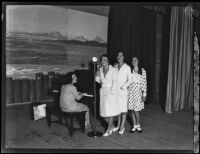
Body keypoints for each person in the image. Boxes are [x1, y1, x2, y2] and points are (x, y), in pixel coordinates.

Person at [95, 54, 120, 137]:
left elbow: (115, 81)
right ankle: (112, 126)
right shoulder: (100, 69)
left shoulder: (113, 69)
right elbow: (98, 81)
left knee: (110, 112)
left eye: (105, 59)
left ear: (108, 61)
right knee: (104, 114)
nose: (103, 61)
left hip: (111, 92)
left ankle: (108, 130)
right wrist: (97, 73)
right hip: (103, 92)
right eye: (102, 60)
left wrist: (112, 92)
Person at [113, 52, 132, 135]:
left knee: (123, 110)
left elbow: (130, 80)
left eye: (120, 56)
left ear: (123, 57)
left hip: (123, 91)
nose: (119, 57)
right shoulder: (115, 66)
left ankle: (122, 127)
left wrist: (123, 87)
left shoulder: (127, 67)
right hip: (116, 91)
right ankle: (118, 125)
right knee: (118, 110)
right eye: (118, 56)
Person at [128, 57, 147, 133]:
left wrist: (144, 94)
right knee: (132, 109)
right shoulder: (130, 71)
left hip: (138, 92)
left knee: (136, 110)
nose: (133, 61)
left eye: (135, 60)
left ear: (138, 61)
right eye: (132, 60)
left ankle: (138, 124)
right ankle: (134, 125)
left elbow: (144, 83)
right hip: (131, 92)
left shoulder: (142, 70)